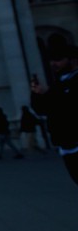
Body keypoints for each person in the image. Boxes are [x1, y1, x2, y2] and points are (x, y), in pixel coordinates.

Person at [31, 42, 78, 188]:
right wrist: (37, 94)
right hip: (66, 142)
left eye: (58, 59)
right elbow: (42, 109)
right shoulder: (60, 82)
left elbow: (69, 106)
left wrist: (50, 95)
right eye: (51, 60)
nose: (53, 64)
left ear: (73, 60)